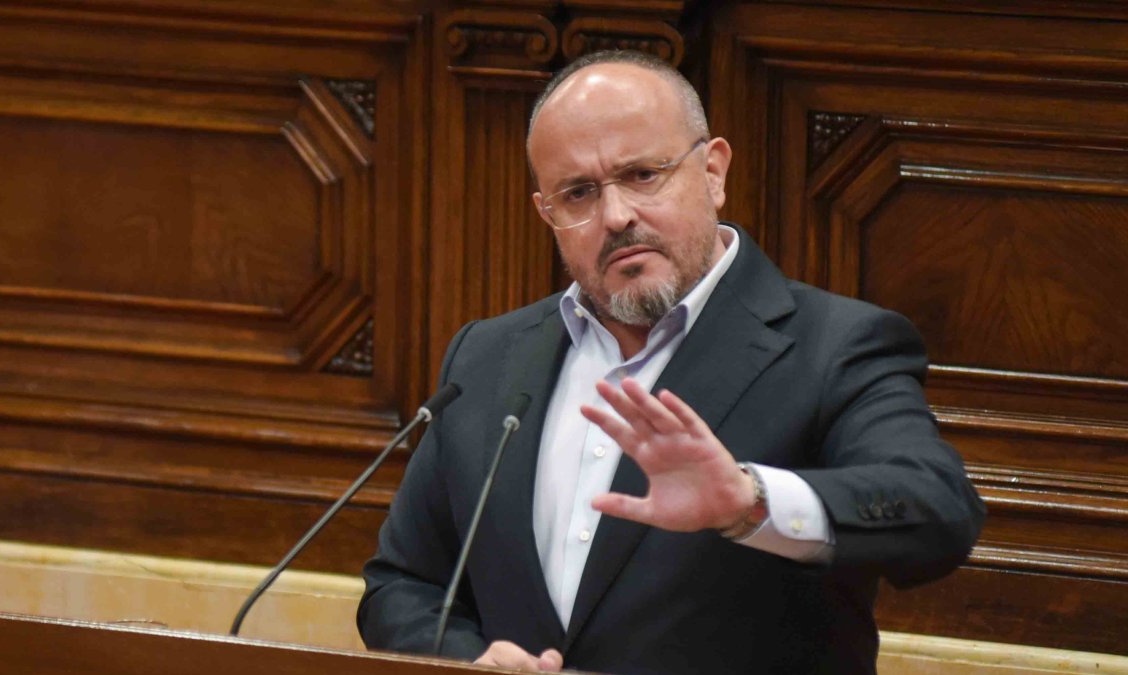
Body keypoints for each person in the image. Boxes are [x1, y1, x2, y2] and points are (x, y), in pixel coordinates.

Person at [357, 49, 985, 675]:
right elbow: (403, 584)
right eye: (578, 193)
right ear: (546, 213)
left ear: (713, 171)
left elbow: (937, 510)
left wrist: (750, 501)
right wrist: (470, 661)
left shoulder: (836, 345)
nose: (617, 216)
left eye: (643, 175)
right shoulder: (488, 357)